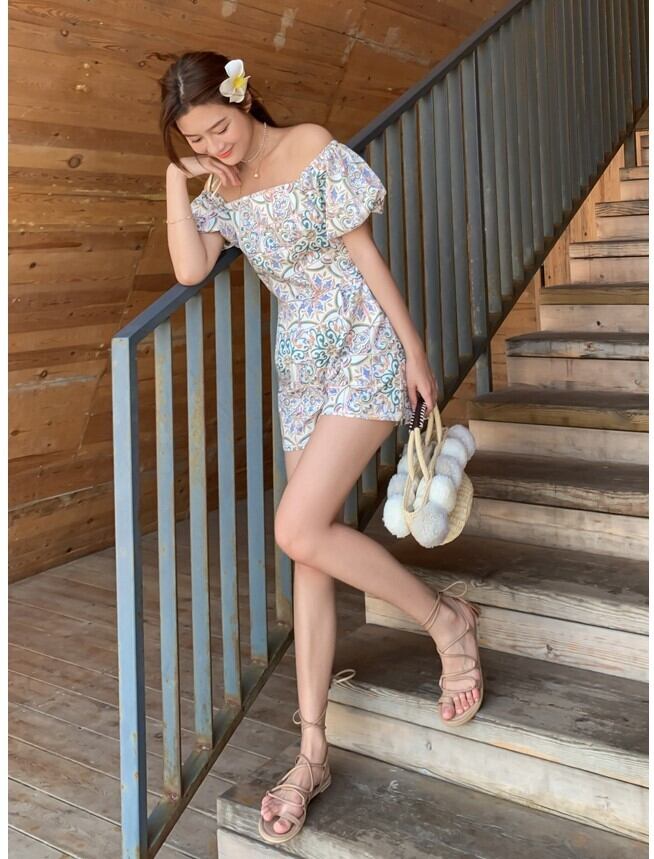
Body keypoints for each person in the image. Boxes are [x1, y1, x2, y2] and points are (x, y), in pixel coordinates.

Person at [159, 52, 483, 845]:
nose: (216, 147)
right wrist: (176, 177)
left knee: (296, 528)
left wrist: (414, 351)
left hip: (363, 348)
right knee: (309, 550)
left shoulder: (308, 146)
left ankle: (445, 621)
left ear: (243, 101)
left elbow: (366, 256)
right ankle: (311, 753)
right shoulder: (219, 188)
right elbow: (191, 267)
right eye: (197, 140)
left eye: (220, 128)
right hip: (300, 372)